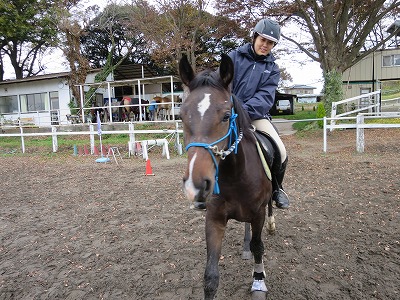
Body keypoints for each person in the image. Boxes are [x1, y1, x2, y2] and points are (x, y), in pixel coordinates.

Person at [228, 18, 290, 209]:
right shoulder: (233, 57)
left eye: (270, 42)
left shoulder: (272, 69)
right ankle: (206, 188)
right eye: (263, 40)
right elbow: (222, 84)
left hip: (256, 116)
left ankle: (277, 189)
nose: (266, 45)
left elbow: (265, 97)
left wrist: (243, 111)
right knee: (208, 143)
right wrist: (229, 108)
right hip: (228, 113)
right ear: (254, 36)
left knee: (281, 150)